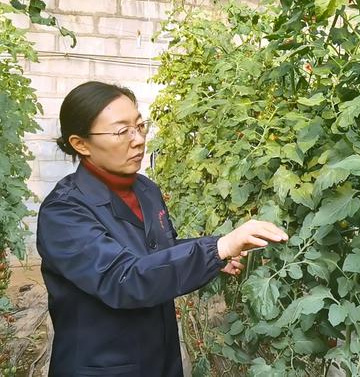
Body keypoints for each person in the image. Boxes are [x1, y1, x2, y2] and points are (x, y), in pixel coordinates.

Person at [37, 81, 288, 377]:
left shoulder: (145, 190)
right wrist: (218, 248)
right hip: (103, 366)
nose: (139, 139)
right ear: (81, 144)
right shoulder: (64, 212)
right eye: (122, 131)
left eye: (140, 126)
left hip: (160, 356)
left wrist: (216, 254)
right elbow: (123, 278)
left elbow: (158, 251)